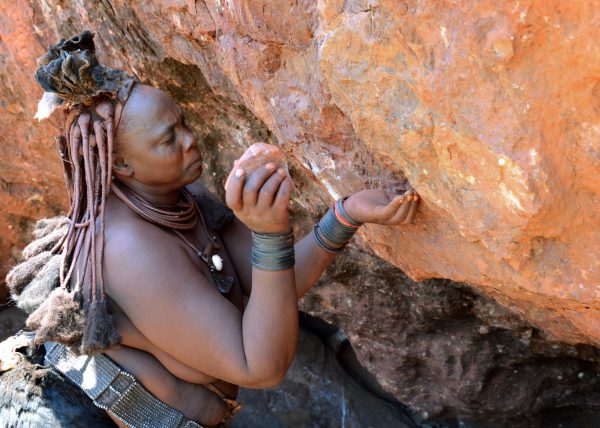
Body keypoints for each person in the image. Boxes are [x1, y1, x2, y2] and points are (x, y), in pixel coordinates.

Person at [1, 31, 420, 427]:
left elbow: (269, 286)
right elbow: (260, 366)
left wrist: (345, 215)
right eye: (169, 139)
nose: (191, 140)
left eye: (182, 122)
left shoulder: (182, 198)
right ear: (123, 166)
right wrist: (269, 232)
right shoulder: (129, 247)